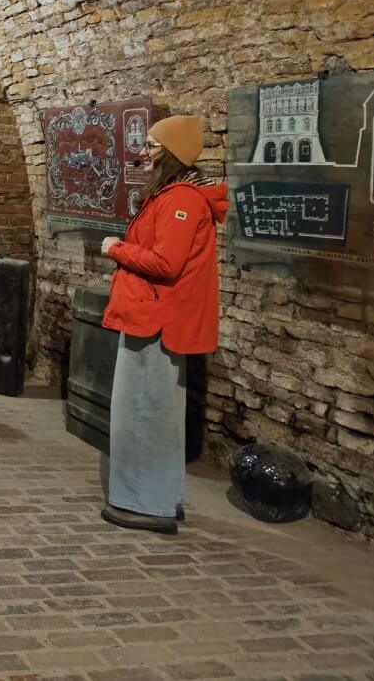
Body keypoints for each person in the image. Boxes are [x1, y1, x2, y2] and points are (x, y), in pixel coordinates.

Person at [99, 115, 228, 535]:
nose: (143, 151)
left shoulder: (182, 200)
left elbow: (165, 263)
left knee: (144, 413)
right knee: (151, 412)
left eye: (153, 145)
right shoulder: (174, 194)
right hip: (149, 315)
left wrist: (116, 248)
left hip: (155, 320)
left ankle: (144, 501)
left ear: (172, 153)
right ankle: (158, 495)